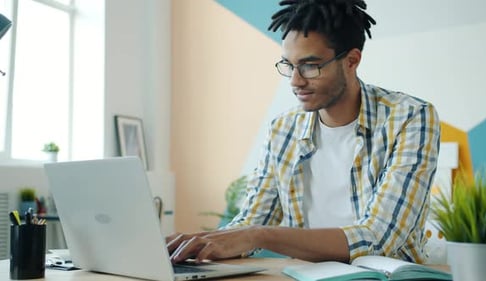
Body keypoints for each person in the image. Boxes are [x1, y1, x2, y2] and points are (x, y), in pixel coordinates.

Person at [167, 0, 440, 264]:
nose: (296, 81)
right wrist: (202, 244)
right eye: (289, 65)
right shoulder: (283, 130)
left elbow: (378, 238)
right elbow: (253, 220)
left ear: (351, 61)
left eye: (310, 66)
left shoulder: (409, 117)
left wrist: (258, 236)